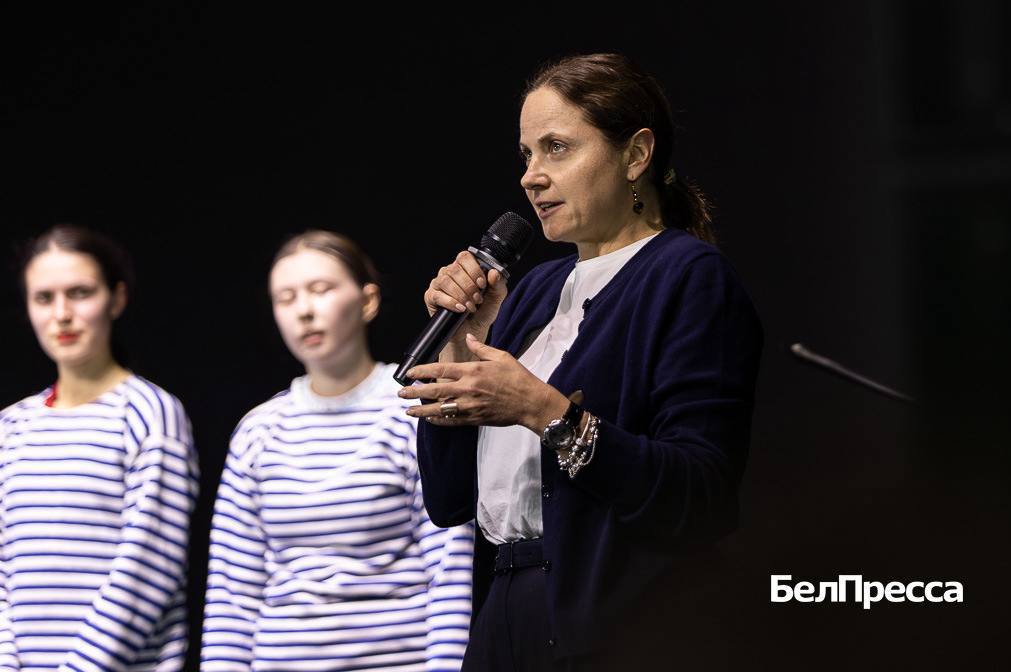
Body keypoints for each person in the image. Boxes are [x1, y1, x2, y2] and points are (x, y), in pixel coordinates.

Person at [399, 53, 764, 670]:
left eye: (557, 148)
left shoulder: (687, 277)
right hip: (505, 614)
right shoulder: (537, 291)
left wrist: (542, 410)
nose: (530, 177)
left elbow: (700, 494)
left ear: (636, 155)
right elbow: (450, 498)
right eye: (526, 156)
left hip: (620, 622)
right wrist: (462, 343)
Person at [201, 231, 474, 672]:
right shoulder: (259, 431)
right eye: (285, 298)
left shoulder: (410, 408)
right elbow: (232, 592)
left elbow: (448, 569)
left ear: (367, 301)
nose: (304, 311)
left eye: (321, 289)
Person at [0, 224, 199, 671]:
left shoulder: (150, 412)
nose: (62, 314)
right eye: (44, 298)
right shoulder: (10, 427)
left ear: (117, 298)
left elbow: (149, 570)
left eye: (80, 293)